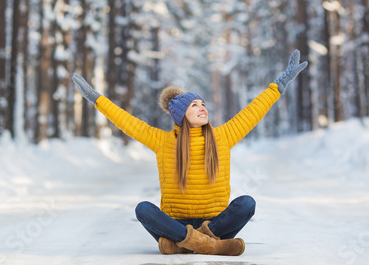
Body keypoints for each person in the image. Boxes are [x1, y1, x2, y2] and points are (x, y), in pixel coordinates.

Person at [73, 49, 307, 256]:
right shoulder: (163, 141)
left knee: (247, 203)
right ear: (180, 115)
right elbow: (127, 121)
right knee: (143, 209)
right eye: (194, 105)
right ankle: (212, 246)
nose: (202, 108)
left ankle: (184, 245)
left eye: (202, 104)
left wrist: (280, 84)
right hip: (174, 224)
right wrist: (97, 99)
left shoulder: (222, 137)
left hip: (216, 223)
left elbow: (253, 110)